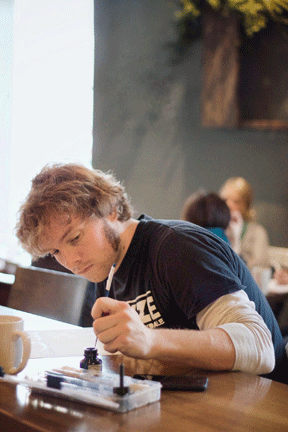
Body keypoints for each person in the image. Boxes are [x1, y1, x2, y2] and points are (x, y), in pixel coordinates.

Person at [15, 163, 288, 384]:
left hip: (261, 405)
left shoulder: (177, 248)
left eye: (74, 238)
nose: (71, 261)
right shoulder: (106, 270)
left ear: (111, 211)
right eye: (56, 252)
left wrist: (150, 340)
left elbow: (260, 348)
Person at [219, 177, 270, 270]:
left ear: (246, 206)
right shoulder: (216, 230)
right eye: (225, 200)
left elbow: (260, 266)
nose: (228, 205)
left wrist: (236, 238)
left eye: (236, 201)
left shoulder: (257, 232)